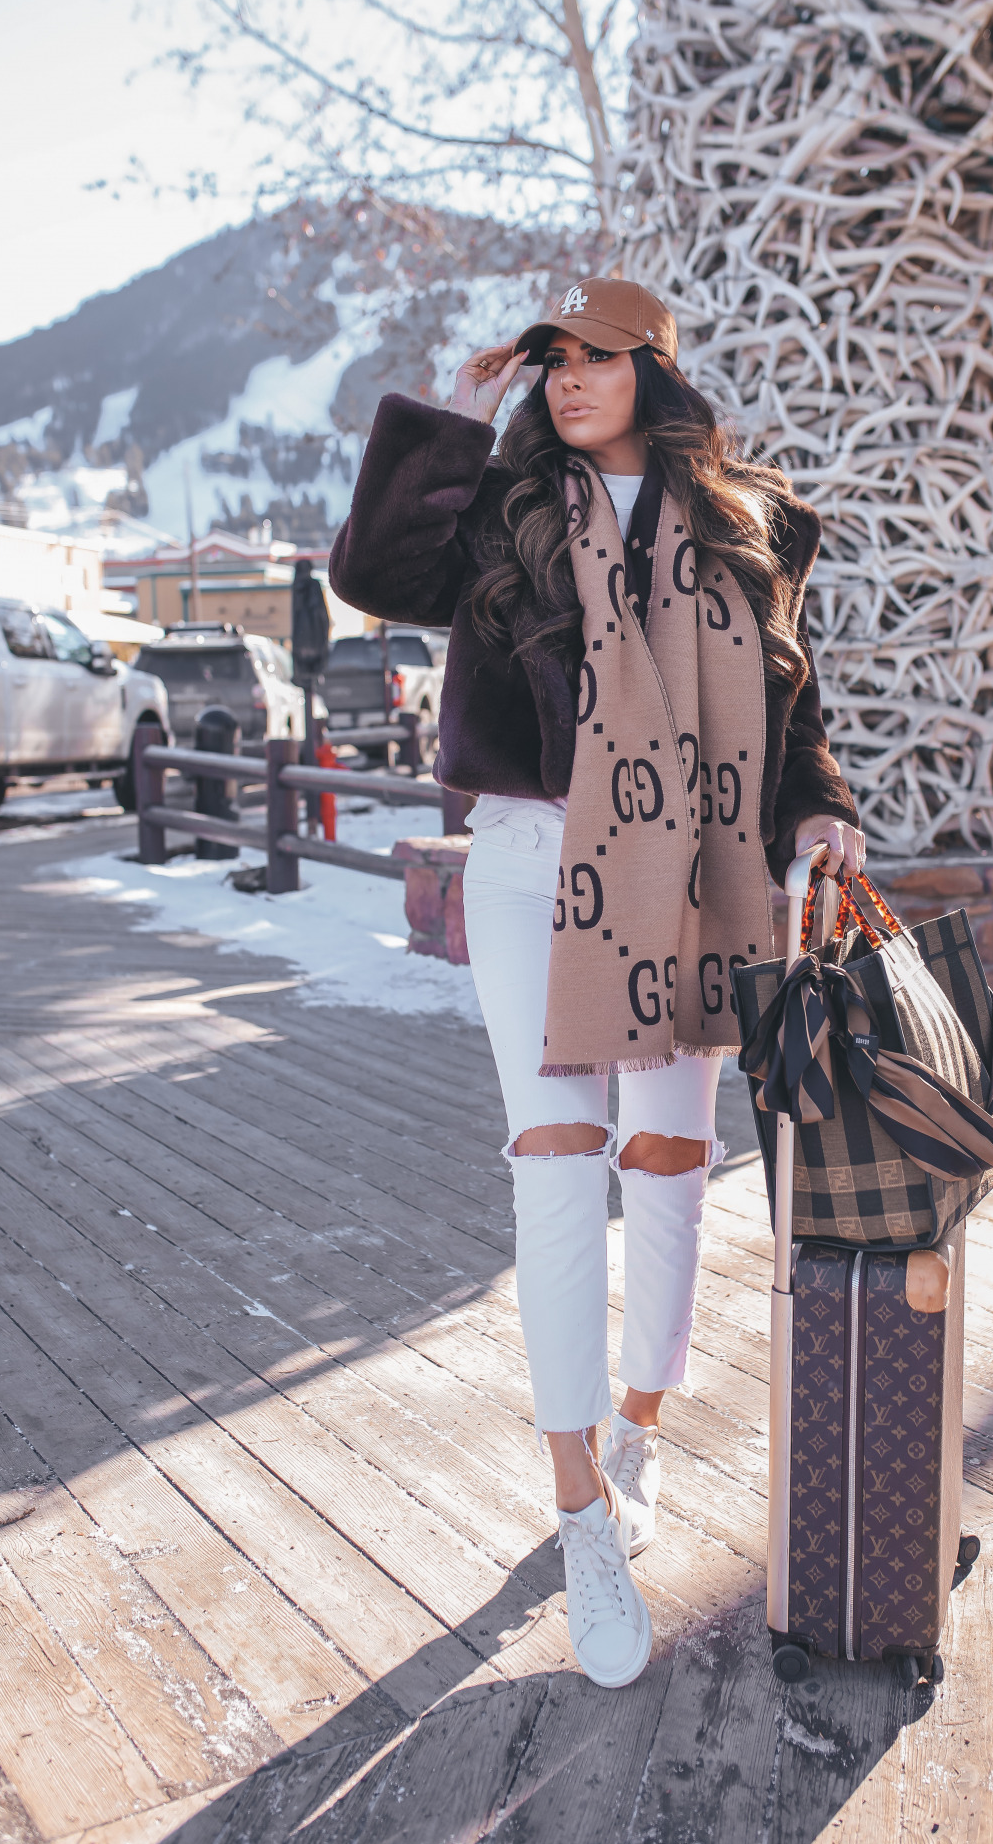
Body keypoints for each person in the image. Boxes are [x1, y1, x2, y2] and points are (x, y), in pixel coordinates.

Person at [329, 277, 865, 1690]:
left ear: (653, 372)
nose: (566, 379)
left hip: (687, 869)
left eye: (595, 359)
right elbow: (372, 571)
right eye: (550, 360)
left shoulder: (754, 527)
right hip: (527, 863)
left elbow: (787, 710)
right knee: (556, 1158)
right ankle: (577, 1507)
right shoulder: (503, 515)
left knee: (673, 1159)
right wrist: (456, 399)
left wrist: (817, 810)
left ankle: (636, 1422)